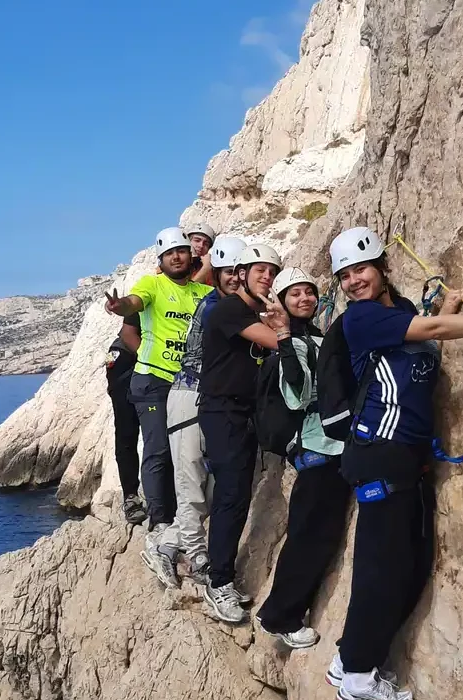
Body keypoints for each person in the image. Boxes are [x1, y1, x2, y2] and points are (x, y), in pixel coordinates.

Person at [327, 226, 463, 700]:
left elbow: (421, 345)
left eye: (360, 269)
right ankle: (358, 678)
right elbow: (430, 332)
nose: (353, 281)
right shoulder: (360, 318)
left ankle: (348, 659)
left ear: (382, 267)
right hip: (380, 451)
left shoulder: (400, 312)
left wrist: (445, 309)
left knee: (408, 561)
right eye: (344, 275)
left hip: (404, 455)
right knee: (382, 567)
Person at [104, 226, 213, 588]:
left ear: (191, 256)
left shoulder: (203, 293)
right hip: (152, 379)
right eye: (169, 254)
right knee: (159, 448)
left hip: (188, 382)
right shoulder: (152, 285)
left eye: (182, 251)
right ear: (161, 260)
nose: (177, 257)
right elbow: (133, 303)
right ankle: (160, 520)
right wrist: (119, 306)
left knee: (189, 453)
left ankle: (182, 516)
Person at [254, 267, 350, 650]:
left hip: (331, 447)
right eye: (294, 294)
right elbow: (298, 395)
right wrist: (281, 334)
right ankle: (281, 616)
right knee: (309, 538)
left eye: (309, 291)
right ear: (281, 301)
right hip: (316, 448)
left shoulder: (316, 337)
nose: (305, 298)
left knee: (318, 536)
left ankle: (284, 612)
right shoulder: (291, 343)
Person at [199, 243, 284, 623]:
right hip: (223, 411)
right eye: (259, 270)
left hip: (244, 413)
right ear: (242, 273)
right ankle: (218, 581)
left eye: (272, 272)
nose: (267, 276)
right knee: (231, 494)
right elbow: (276, 342)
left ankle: (219, 572)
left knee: (237, 493)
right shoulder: (229, 310)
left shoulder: (250, 312)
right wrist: (283, 323)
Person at [158, 235, 248, 585]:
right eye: (228, 272)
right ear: (217, 274)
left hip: (210, 399)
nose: (234, 278)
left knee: (210, 483)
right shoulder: (215, 308)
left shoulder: (233, 306)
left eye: (240, 272)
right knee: (191, 477)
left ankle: (171, 541)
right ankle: (195, 555)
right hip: (189, 395)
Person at [106, 312, 146, 525]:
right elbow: (127, 332)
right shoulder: (144, 296)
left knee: (156, 436)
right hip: (127, 359)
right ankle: (131, 497)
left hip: (153, 359)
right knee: (126, 433)